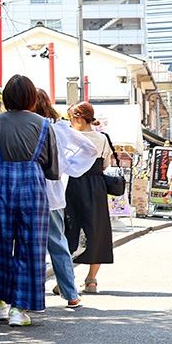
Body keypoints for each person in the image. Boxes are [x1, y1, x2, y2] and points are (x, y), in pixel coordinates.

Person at [0, 76, 59, 327]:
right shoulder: (44, 125)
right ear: (31, 98)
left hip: (0, 183)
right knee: (30, 247)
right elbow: (53, 168)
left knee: (0, 244)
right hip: (32, 186)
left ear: (6, 98)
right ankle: (20, 309)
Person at [33, 91, 96, 308]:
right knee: (57, 244)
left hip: (29, 192)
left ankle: (33, 294)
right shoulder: (59, 127)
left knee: (30, 245)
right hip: (53, 193)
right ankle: (71, 294)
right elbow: (90, 149)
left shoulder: (30, 126)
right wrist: (66, 165)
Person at [64, 102, 113, 294]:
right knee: (97, 230)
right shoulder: (102, 139)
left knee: (69, 230)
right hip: (95, 188)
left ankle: (65, 280)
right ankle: (91, 280)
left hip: (72, 186)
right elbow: (105, 165)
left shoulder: (69, 137)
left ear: (77, 118)